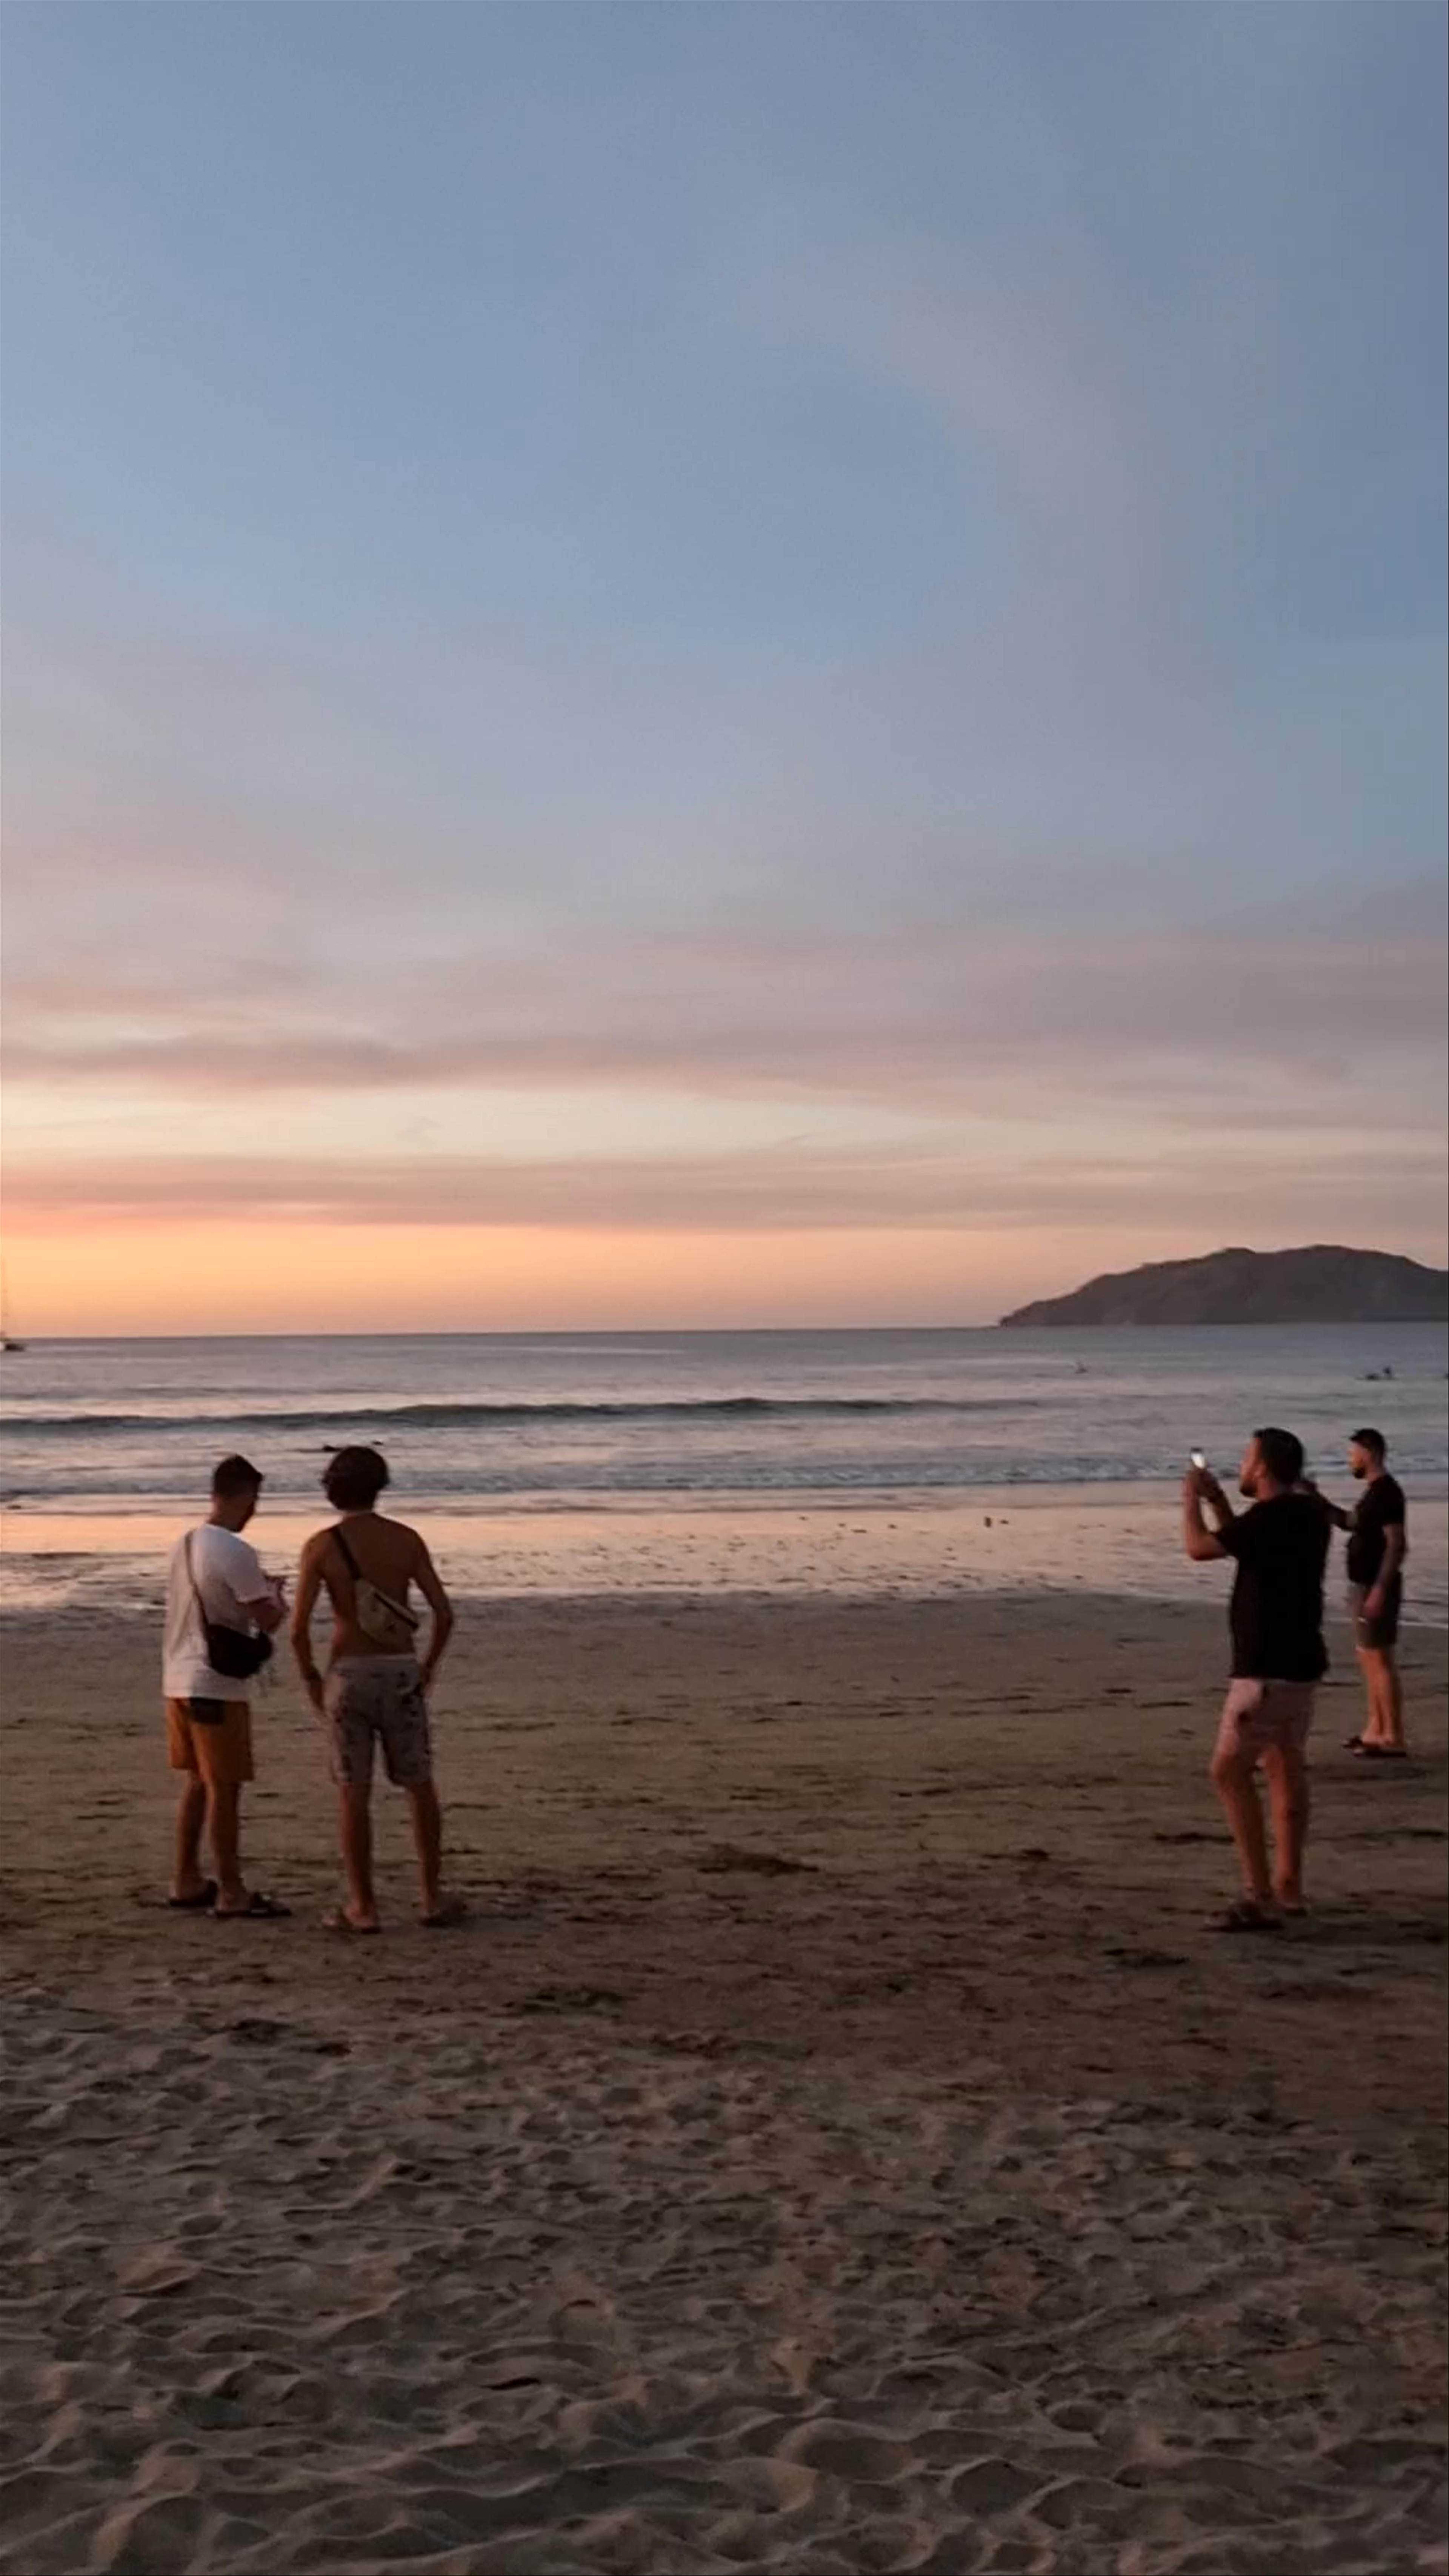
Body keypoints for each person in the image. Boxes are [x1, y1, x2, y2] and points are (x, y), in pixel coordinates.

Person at [290, 1446, 457, 1932]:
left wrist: (311, 1678)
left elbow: (298, 1630)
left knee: (353, 1792)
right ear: (380, 1486)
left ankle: (363, 1905)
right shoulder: (405, 1539)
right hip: (400, 1670)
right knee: (419, 1785)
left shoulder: (322, 1546)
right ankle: (431, 1897)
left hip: (349, 1673)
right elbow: (444, 1613)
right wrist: (428, 1666)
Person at [1183, 1427, 1329, 1932]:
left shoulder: (1272, 1517)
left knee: (1229, 1771)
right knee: (1285, 1765)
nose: (1242, 1466)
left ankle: (1258, 1893)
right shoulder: (1307, 1513)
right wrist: (1219, 1500)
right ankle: (1289, 1886)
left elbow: (1200, 1547)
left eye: (1248, 1458)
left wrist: (1190, 1500)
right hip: (1301, 1663)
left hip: (1265, 1667)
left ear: (1263, 1467)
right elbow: (1245, 1544)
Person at [162, 1455, 291, 1919]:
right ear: (246, 1497)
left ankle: (186, 1878)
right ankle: (232, 1890)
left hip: (178, 1678)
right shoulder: (235, 1550)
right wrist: (277, 1595)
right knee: (225, 1787)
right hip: (215, 1682)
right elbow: (267, 1618)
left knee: (197, 1782)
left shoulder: (185, 1543)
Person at [1321, 1430, 1409, 1760]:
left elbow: (1397, 1544)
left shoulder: (1387, 1492)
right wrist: (1318, 1501)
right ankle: (1375, 1728)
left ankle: (1393, 1735)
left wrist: (1380, 1589)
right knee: (1368, 1657)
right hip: (1363, 1585)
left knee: (1379, 1659)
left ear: (1369, 1453)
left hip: (1375, 1585)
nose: (1350, 1460)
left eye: (1353, 1454)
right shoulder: (1374, 1493)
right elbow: (1350, 1522)